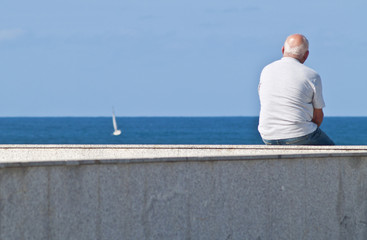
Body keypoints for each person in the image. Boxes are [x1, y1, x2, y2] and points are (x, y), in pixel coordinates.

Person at [258, 34, 334, 145]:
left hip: (267, 135)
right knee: (333, 152)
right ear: (306, 55)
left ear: (283, 49)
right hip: (299, 135)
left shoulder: (266, 70)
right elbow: (318, 117)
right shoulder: (311, 75)